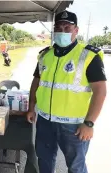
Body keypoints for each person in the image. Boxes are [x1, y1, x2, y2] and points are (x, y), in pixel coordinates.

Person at [27, 11, 106, 173]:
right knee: (45, 160)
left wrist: (89, 123)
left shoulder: (88, 55)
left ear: (76, 30)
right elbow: (36, 82)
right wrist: (31, 107)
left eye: (67, 27)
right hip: (45, 121)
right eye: (58, 28)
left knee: (76, 167)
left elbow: (100, 92)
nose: (62, 31)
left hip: (74, 126)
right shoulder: (45, 55)